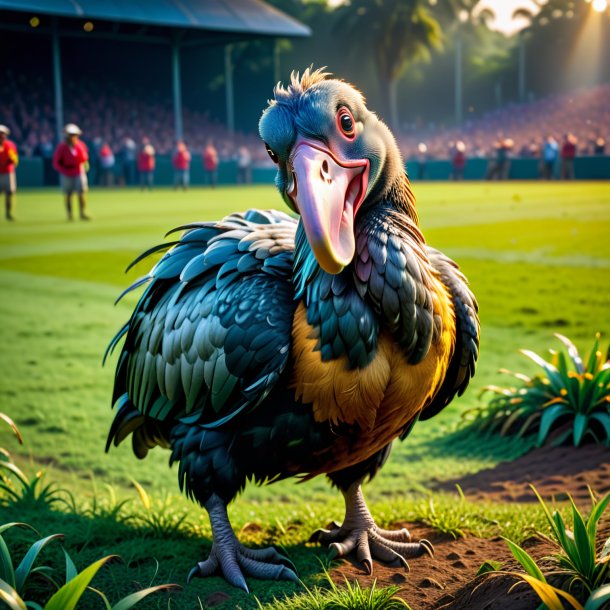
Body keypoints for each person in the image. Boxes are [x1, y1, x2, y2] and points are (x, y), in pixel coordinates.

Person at [52, 123, 91, 221]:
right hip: (67, 172)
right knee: (68, 194)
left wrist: (84, 163)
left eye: (75, 135)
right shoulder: (61, 147)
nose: (73, 137)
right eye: (71, 135)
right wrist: (63, 171)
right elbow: (56, 162)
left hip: (78, 171)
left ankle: (82, 213)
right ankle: (69, 214)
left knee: (81, 193)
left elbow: (85, 158)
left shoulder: (81, 145)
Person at [0, 125, 18, 221]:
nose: (1, 136)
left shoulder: (9, 145)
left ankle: (8, 213)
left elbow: (14, 159)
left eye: (3, 134)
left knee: (9, 193)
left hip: (8, 172)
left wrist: (11, 161)